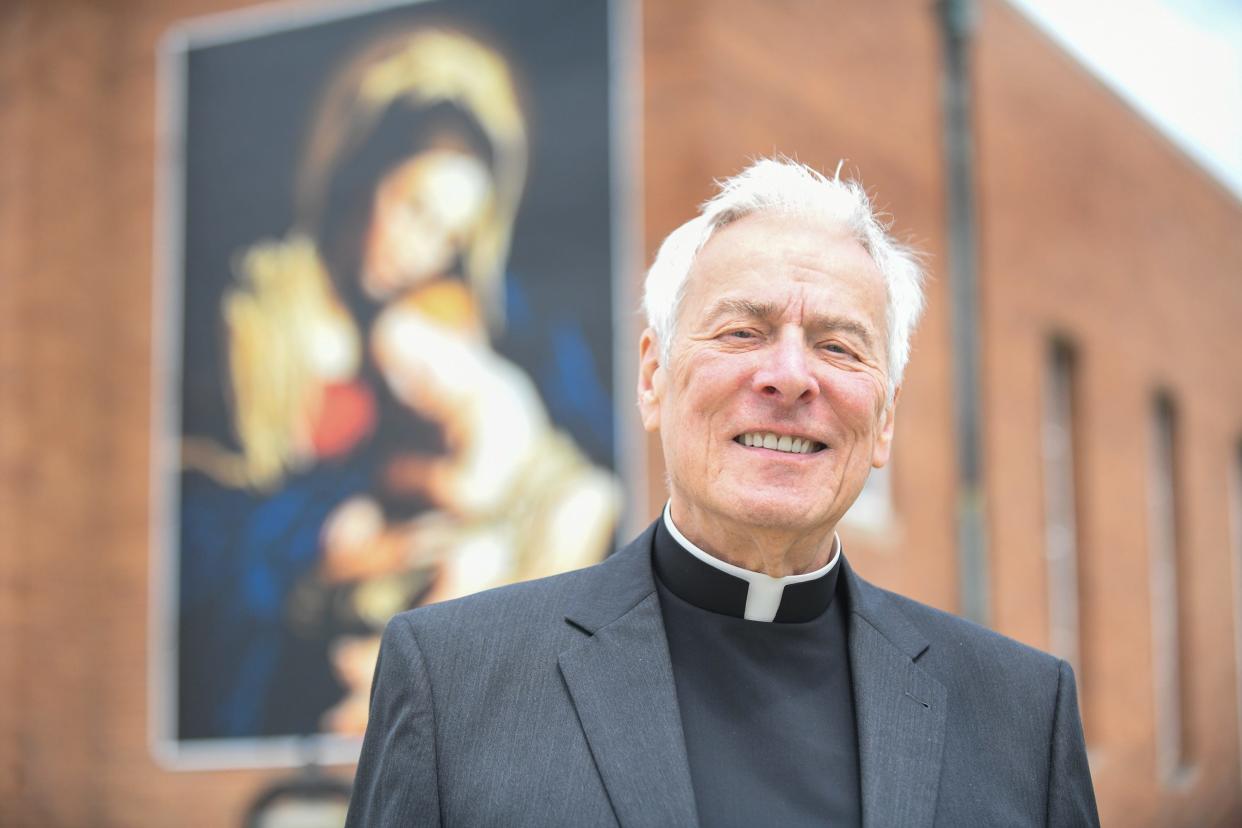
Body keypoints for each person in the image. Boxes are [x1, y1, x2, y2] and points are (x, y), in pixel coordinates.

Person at [345, 158, 1099, 826]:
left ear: (886, 419)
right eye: (743, 332)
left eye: (838, 346)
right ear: (652, 378)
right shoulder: (455, 681)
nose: (791, 376)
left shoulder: (1022, 716)